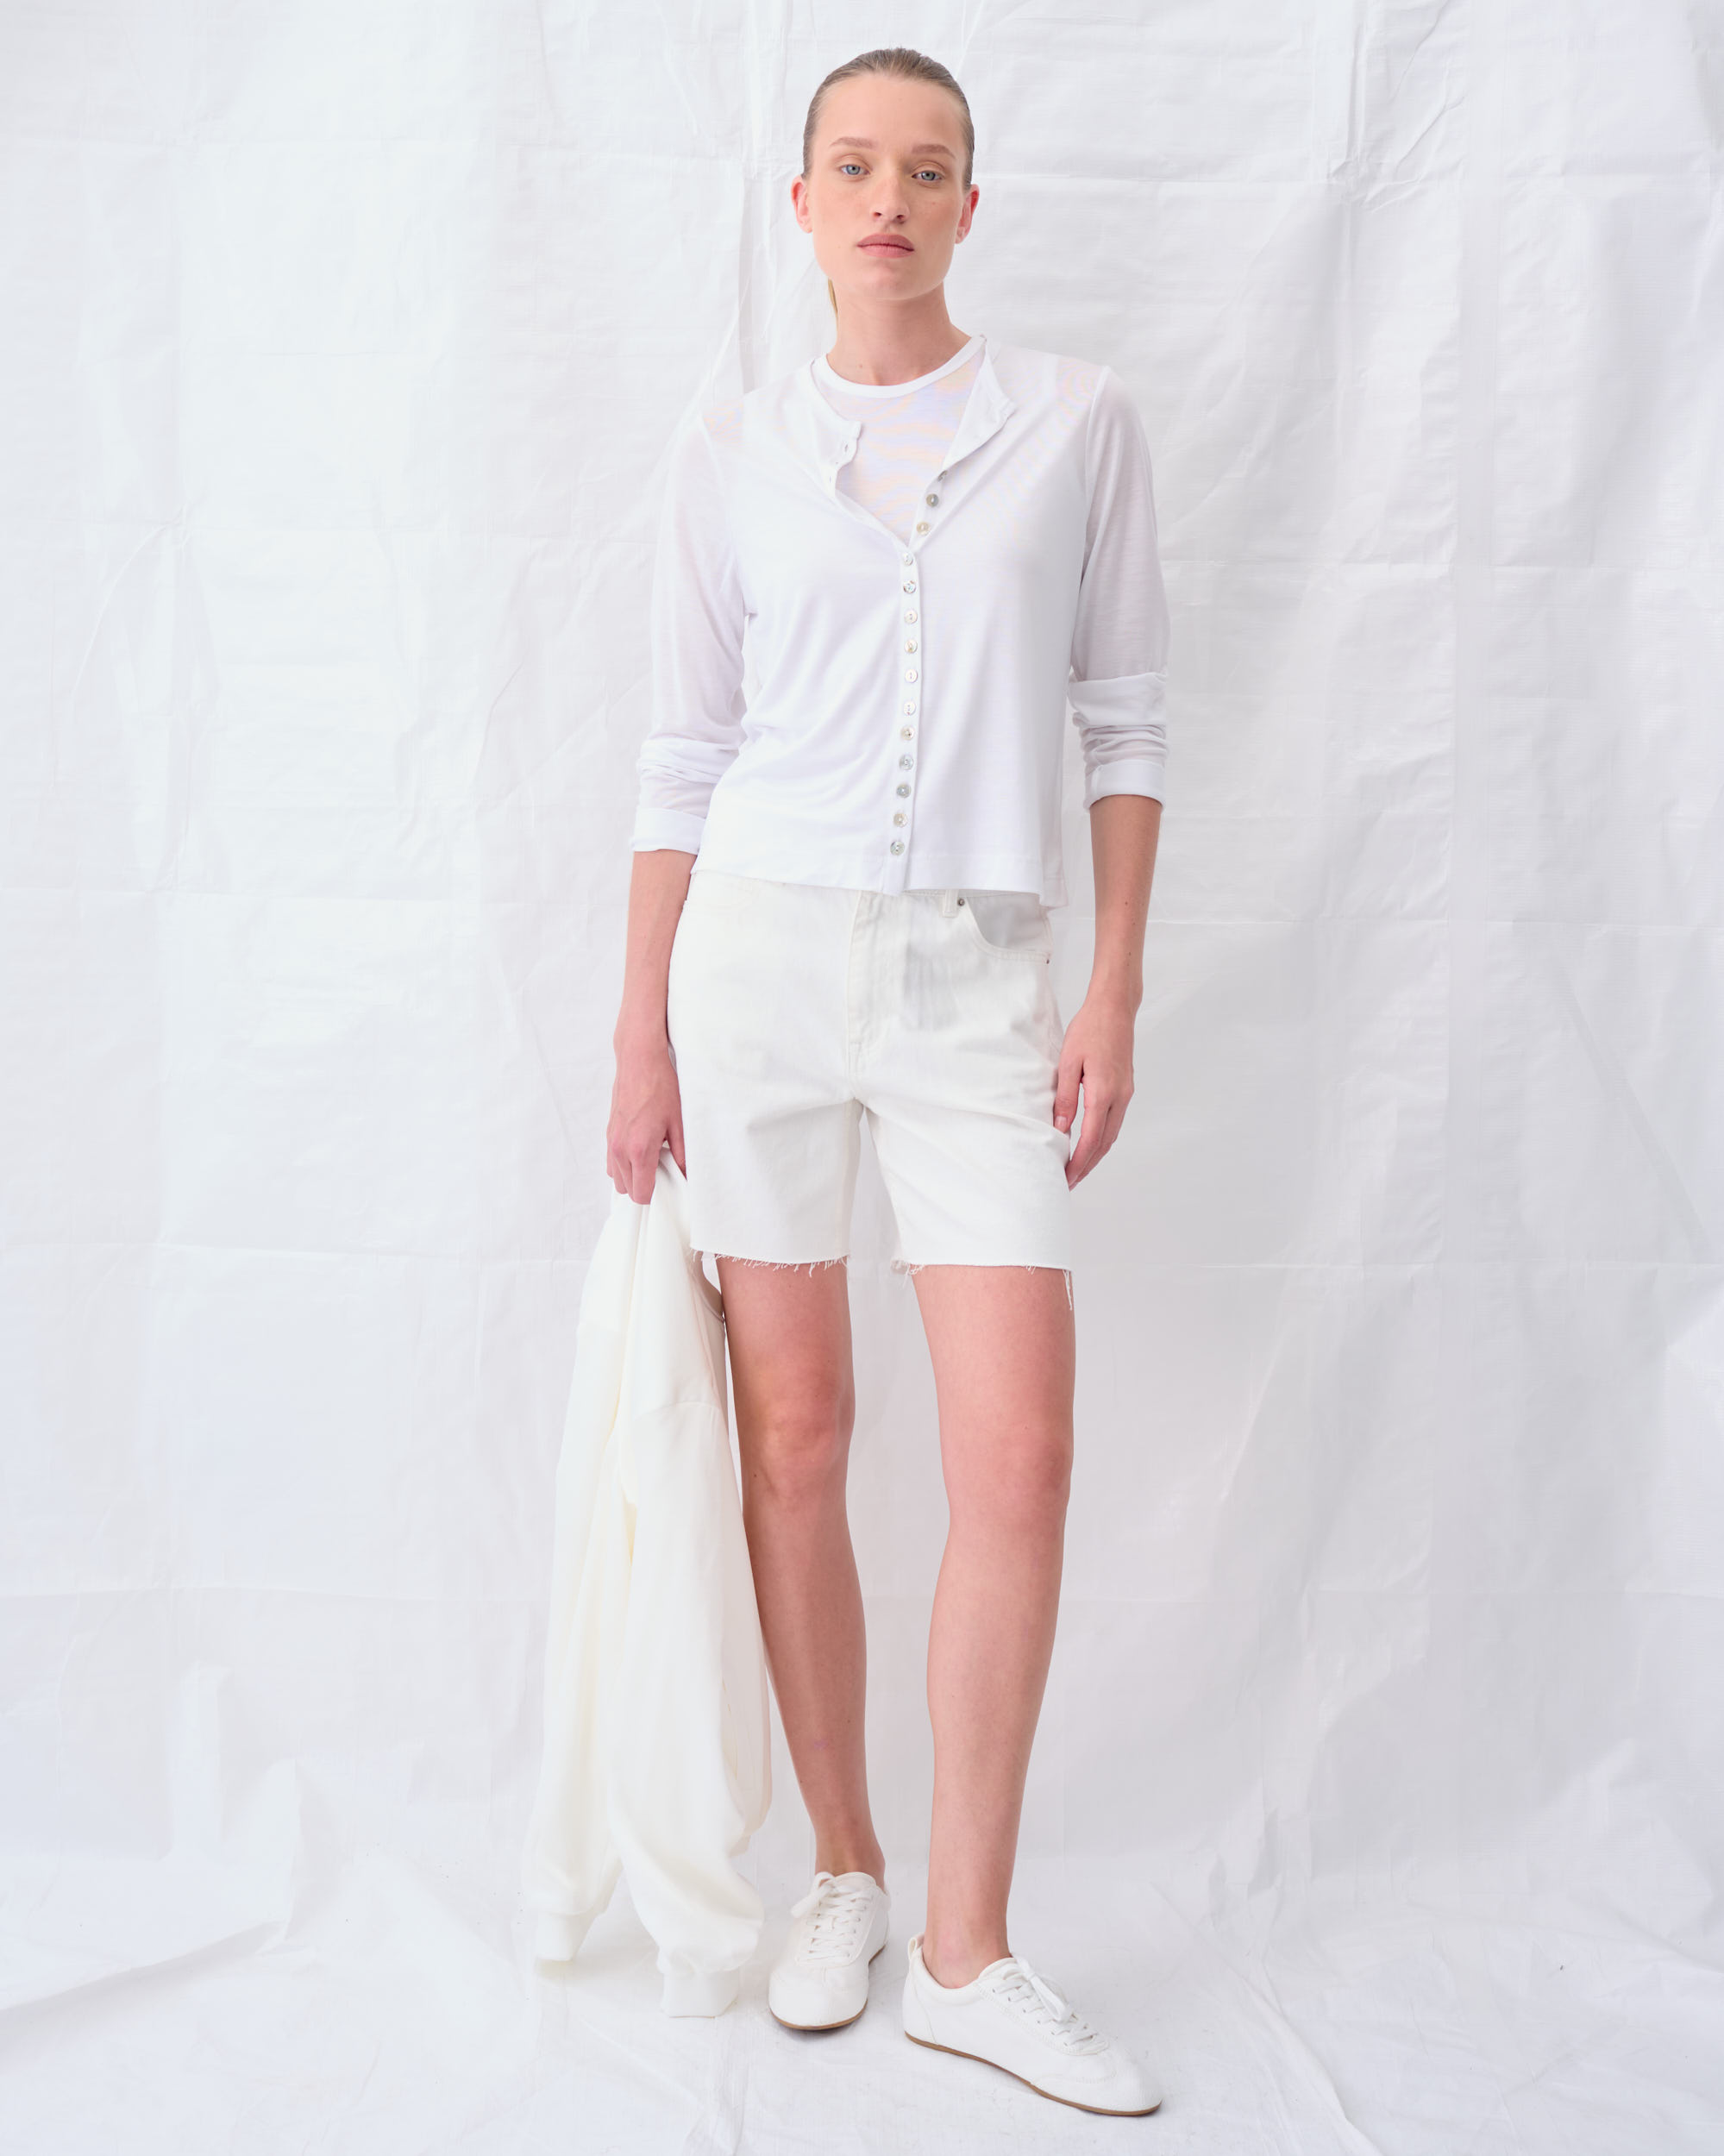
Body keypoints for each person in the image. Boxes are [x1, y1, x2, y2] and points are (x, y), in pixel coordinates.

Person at [606, 46, 1167, 2119]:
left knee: (1018, 1453)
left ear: (967, 206)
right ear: (801, 199)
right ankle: (843, 1863)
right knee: (797, 1430)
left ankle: (968, 1949)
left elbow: (1124, 717)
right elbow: (685, 749)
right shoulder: (732, 444)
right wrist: (639, 1021)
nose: (887, 199)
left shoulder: (1074, 424)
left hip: (976, 982)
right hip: (753, 966)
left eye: (927, 170)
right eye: (853, 164)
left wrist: (1113, 986)